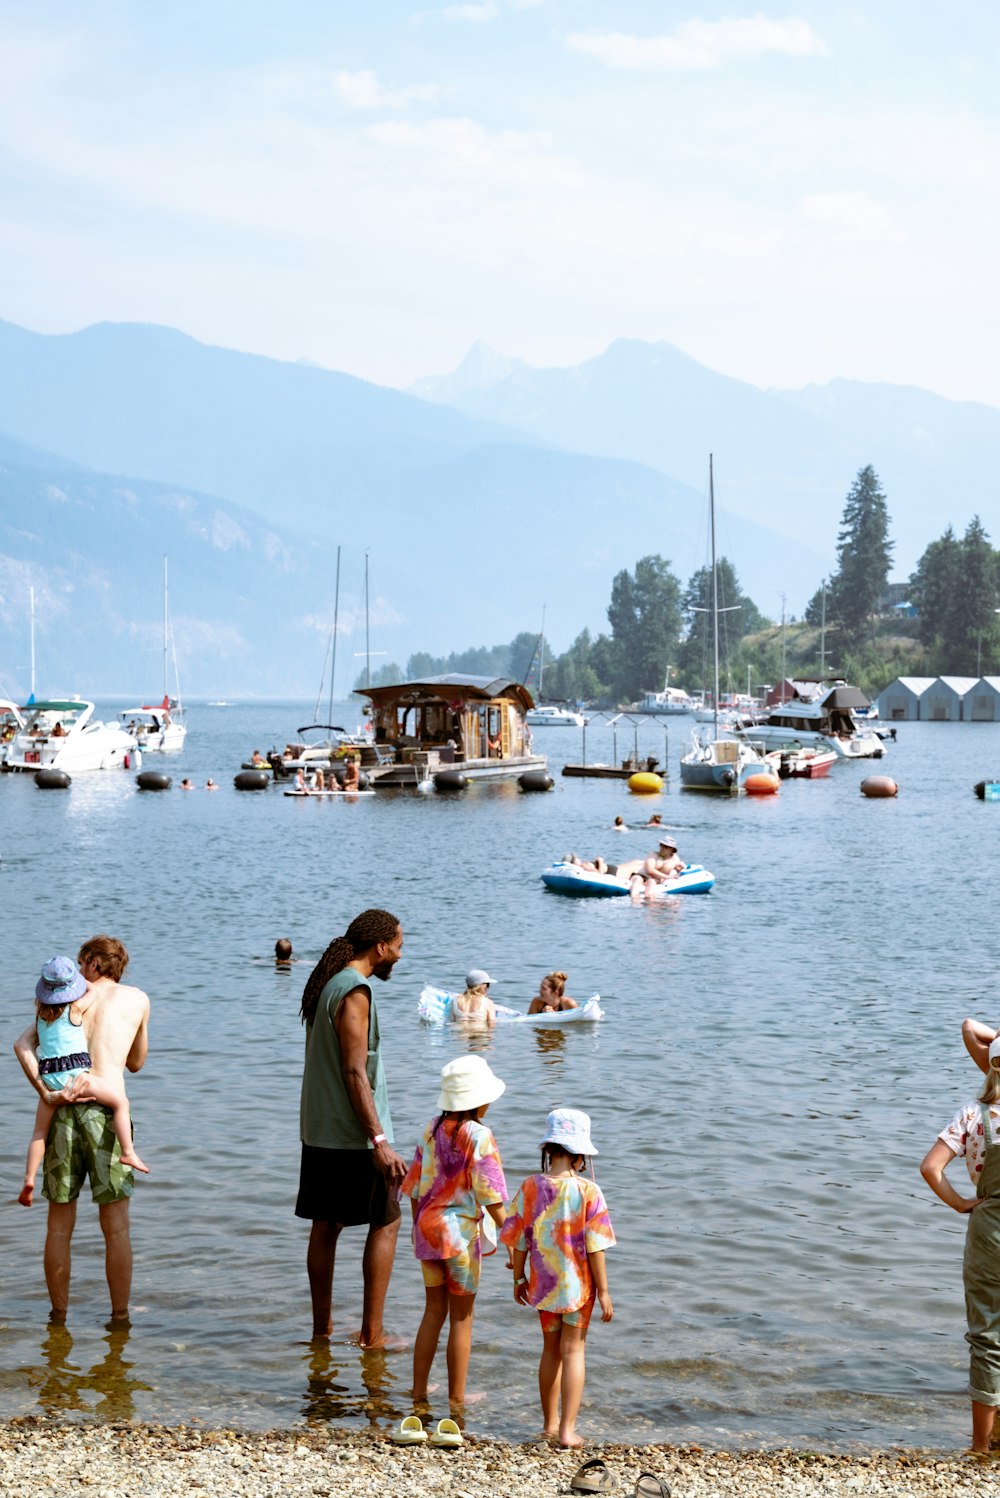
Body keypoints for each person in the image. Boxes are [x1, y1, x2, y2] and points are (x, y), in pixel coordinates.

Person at [12, 935, 150, 1322]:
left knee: (59, 1228)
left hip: (60, 1111)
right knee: (116, 1228)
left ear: (90, 961)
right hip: (106, 1113)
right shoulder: (136, 998)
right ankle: (120, 1317)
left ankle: (58, 1317)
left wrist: (44, 1090)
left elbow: (24, 1045)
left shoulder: (60, 1003)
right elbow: (137, 1062)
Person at [296, 908, 406, 1346]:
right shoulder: (355, 990)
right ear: (380, 947)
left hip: (319, 1128)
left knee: (326, 1225)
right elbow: (355, 1072)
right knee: (387, 1221)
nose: (400, 954)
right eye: (398, 945)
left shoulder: (329, 984)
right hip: (353, 1134)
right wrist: (379, 1140)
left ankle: (321, 1331)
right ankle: (371, 1335)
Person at [502, 1108, 615, 1448]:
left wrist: (519, 1278)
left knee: (550, 1350)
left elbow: (519, 1239)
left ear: (548, 1150)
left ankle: (549, 1425)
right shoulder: (588, 1192)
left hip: (544, 1286)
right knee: (574, 1352)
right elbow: (596, 1248)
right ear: (580, 1156)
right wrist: (606, 1292)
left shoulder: (530, 1186)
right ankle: (568, 1431)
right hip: (579, 1288)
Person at [401, 1056, 508, 1405]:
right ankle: (457, 1398)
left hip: (427, 1231)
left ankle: (418, 1391)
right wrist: (511, 1237)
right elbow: (491, 1195)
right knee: (462, 1317)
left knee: (433, 1311)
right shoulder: (479, 1135)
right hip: (459, 1238)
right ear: (479, 1100)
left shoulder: (431, 1128)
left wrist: (419, 1228)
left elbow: (415, 1188)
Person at [920, 1034, 1000, 1452]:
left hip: (989, 1231)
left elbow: (930, 1168)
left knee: (988, 1335)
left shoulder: (972, 1115)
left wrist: (960, 1205)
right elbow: (977, 1028)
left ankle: (981, 1446)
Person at [18, 957, 148, 1208]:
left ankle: (29, 1178)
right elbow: (93, 994)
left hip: (51, 1083)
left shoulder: (41, 1018)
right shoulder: (76, 1010)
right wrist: (84, 983)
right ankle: (129, 1153)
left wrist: (46, 1093)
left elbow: (20, 1045)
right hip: (78, 1079)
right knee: (120, 1103)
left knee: (38, 1133)